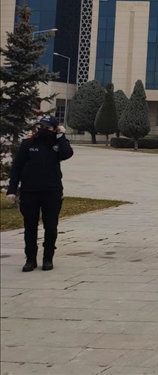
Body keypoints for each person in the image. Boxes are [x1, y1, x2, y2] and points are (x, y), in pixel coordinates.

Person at [6, 116, 73, 272]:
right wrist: (12, 190)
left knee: (51, 226)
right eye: (40, 126)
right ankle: (30, 259)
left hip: (52, 191)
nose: (43, 130)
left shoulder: (57, 145)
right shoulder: (28, 145)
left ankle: (48, 258)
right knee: (30, 227)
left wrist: (61, 136)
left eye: (47, 128)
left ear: (54, 129)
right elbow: (16, 169)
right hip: (30, 191)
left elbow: (67, 154)